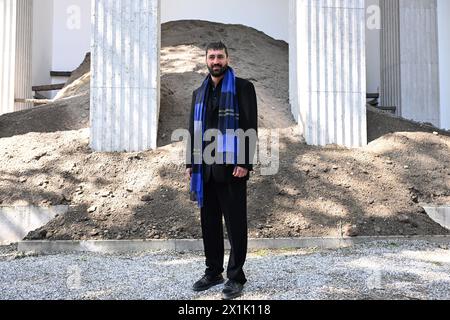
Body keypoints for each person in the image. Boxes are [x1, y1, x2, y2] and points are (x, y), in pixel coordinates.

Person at [185, 41, 258, 300]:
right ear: (206, 60)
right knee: (209, 224)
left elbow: (249, 126)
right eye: (211, 57)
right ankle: (213, 271)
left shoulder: (242, 88)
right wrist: (190, 164)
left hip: (232, 169)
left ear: (227, 58)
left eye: (220, 57)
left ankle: (235, 276)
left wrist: (245, 162)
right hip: (204, 169)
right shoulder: (198, 92)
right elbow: (192, 132)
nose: (216, 61)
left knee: (236, 224)